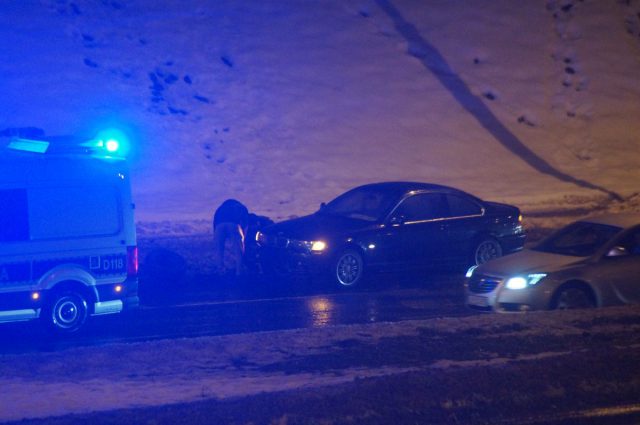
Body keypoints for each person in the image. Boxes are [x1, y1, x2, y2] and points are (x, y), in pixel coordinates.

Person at [212, 199, 249, 280]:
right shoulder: (241, 207)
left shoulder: (220, 208)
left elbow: (215, 223)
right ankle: (239, 271)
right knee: (238, 250)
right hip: (234, 225)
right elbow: (246, 223)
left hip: (219, 226)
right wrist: (244, 238)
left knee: (219, 250)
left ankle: (220, 270)